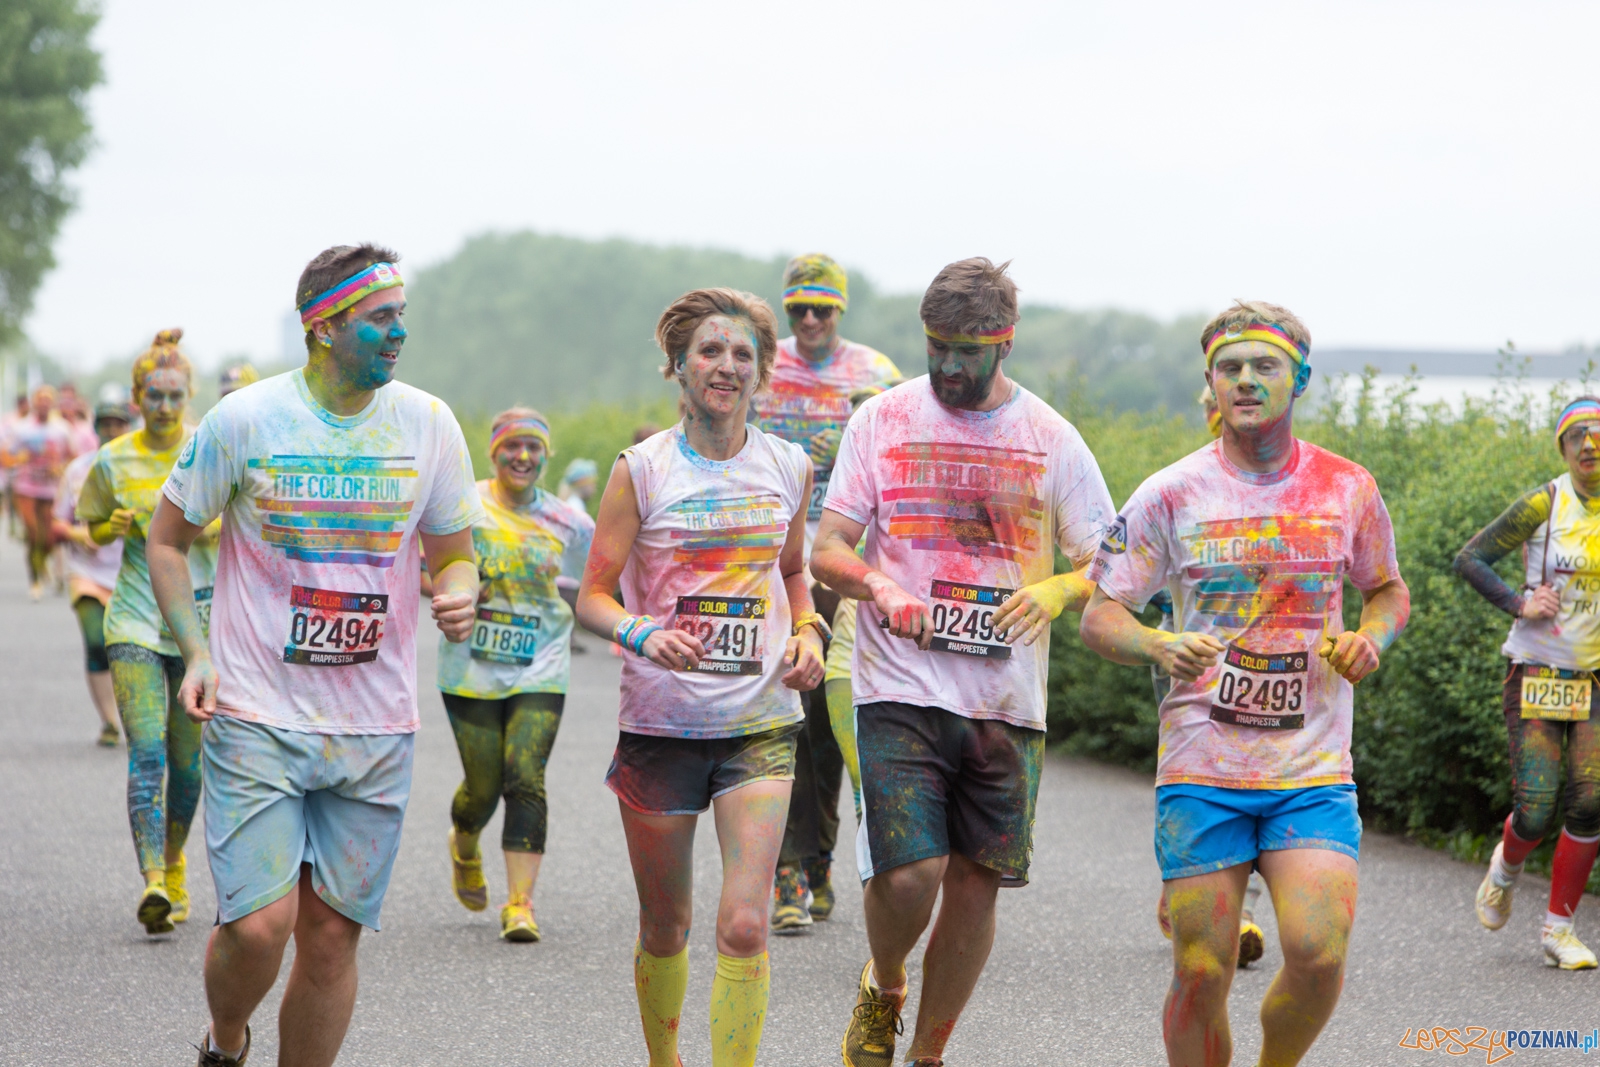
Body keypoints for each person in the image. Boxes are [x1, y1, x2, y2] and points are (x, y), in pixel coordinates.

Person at [147, 244, 483, 1067]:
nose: (399, 332)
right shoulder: (244, 421)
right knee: (261, 926)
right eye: (381, 318)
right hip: (259, 712)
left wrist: (461, 590)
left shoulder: (429, 424)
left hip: (375, 727)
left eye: (402, 314)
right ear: (324, 326)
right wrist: (195, 651)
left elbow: (455, 551)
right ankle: (227, 1038)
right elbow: (167, 541)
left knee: (330, 940)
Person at [1080, 301, 1411, 1067]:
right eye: (1230, 368)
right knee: (1201, 970)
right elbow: (1101, 616)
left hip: (1312, 768)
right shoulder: (1170, 493)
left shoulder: (1346, 487)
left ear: (1298, 378)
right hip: (1203, 767)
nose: (1247, 380)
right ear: (1211, 382)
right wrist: (1160, 644)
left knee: (1318, 951)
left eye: (1264, 365)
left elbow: (1387, 590)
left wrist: (1371, 638)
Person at [812, 258, 1114, 1067]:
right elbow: (827, 547)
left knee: (977, 884)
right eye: (935, 345)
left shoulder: (1050, 437)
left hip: (1005, 697)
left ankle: (929, 1054)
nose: (946, 365)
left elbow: (1110, 563)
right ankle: (884, 984)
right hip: (896, 681)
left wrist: (1055, 589)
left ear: (1004, 341)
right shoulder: (881, 420)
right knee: (913, 871)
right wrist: (877, 583)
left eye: (965, 350)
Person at [575, 287, 826, 1067]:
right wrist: (642, 631)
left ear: (763, 372)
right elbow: (592, 595)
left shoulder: (789, 466)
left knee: (746, 924)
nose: (726, 366)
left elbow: (793, 573)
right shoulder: (641, 471)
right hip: (661, 728)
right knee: (666, 925)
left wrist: (811, 629)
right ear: (677, 367)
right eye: (710, 352)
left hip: (760, 723)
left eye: (743, 354)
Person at [753, 253, 903, 932]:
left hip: (848, 563)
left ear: (840, 310)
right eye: (798, 309)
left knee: (832, 720)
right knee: (786, 712)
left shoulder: (876, 375)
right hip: (772, 563)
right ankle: (790, 868)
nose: (810, 320)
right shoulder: (759, 366)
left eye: (823, 308)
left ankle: (817, 860)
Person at [76, 331, 220, 935]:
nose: (164, 406)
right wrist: (109, 527)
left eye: (174, 396)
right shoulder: (113, 461)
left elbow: (247, 523)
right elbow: (91, 530)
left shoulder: (211, 451)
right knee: (148, 754)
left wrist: (211, 530)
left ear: (188, 397)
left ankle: (176, 861)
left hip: (198, 626)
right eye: (153, 396)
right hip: (134, 617)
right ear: (137, 398)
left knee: (189, 769)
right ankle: (153, 882)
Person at [439, 407, 593, 942]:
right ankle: (463, 840)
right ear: (494, 452)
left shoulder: (571, 524)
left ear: (546, 456)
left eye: (533, 447)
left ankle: (520, 904)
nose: (522, 456)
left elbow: (608, 578)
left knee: (524, 776)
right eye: (512, 446)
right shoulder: (463, 505)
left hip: (541, 664)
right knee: (482, 790)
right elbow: (419, 563)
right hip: (469, 667)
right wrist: (450, 593)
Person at [1456, 396, 1600, 970]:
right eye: (1577, 438)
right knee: (1536, 811)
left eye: (1598, 434)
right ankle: (1505, 869)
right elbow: (1471, 558)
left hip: (1594, 679)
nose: (1590, 445)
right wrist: (1520, 603)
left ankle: (1558, 930)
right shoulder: (1547, 501)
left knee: (1590, 802)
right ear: (1563, 450)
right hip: (1537, 673)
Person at [53, 400, 133, 746]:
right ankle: (109, 721)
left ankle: (134, 715)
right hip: (86, 572)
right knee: (96, 642)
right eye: (106, 424)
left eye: (118, 424)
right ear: (96, 428)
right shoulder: (77, 470)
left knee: (128, 648)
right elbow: (57, 523)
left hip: (130, 574)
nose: (112, 430)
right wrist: (79, 535)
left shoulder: (140, 469)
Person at [7, 384, 72, 599]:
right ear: (34, 403)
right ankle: (35, 581)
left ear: (52, 403)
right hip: (26, 488)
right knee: (33, 534)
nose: (43, 403)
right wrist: (18, 460)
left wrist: (61, 468)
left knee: (49, 539)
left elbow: (72, 456)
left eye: (47, 399)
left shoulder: (62, 429)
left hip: (51, 490)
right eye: (39, 399)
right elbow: (6, 455)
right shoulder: (22, 428)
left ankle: (42, 563)